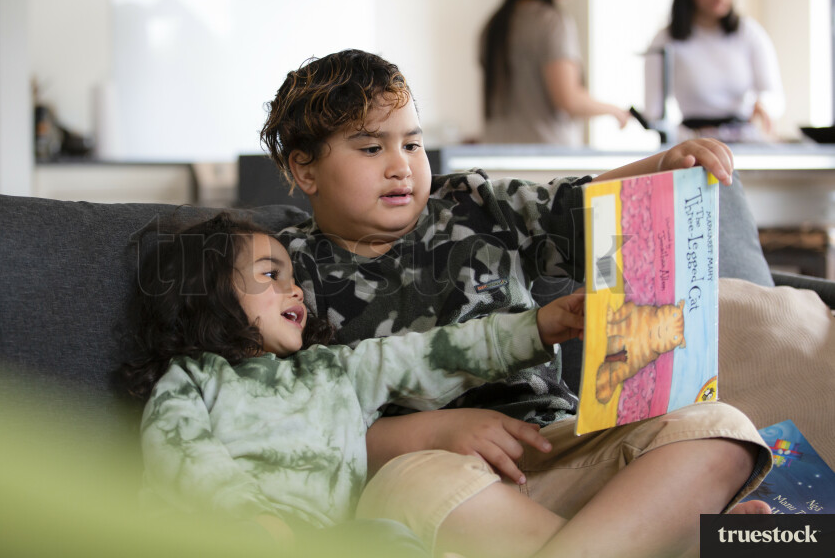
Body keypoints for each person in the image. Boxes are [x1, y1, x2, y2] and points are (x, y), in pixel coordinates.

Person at [265, 48, 773, 558]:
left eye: (413, 144)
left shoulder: (474, 203)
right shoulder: (284, 272)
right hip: (441, 476)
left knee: (723, 429)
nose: (401, 166)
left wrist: (662, 166)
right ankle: (674, 539)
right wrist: (428, 430)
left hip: (557, 448)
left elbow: (586, 208)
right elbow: (293, 420)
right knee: (410, 488)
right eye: (372, 149)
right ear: (305, 170)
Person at [123, 212, 590, 557]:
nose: (296, 291)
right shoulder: (190, 377)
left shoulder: (333, 371)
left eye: (293, 278)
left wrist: (540, 327)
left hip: (322, 542)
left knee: (390, 541)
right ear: (209, 290)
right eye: (271, 274)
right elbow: (182, 456)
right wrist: (255, 522)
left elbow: (430, 355)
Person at [480, 0, 629, 145]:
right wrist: (614, 110)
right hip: (546, 155)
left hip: (494, 153)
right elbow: (567, 98)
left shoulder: (494, 24)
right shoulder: (550, 22)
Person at [644, 0, 785, 143]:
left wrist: (763, 104)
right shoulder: (666, 39)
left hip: (744, 140)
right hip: (693, 142)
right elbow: (653, 110)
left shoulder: (749, 33)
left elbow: (774, 94)